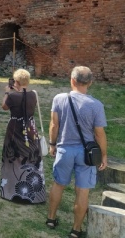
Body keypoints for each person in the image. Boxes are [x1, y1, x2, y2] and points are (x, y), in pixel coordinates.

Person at [46, 66, 107, 238]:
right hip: (87, 153)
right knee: (83, 191)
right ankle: (76, 229)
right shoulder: (96, 105)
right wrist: (103, 155)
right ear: (91, 83)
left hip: (64, 149)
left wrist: (52, 144)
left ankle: (51, 218)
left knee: (58, 184)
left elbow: (54, 125)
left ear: (72, 80)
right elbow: (99, 133)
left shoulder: (59, 99)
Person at [0, 69, 46, 204]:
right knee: (30, 156)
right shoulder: (34, 95)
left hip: (15, 128)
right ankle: (34, 191)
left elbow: (4, 106)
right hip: (30, 128)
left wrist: (7, 92)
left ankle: (11, 189)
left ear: (17, 82)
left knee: (13, 158)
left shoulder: (13, 97)